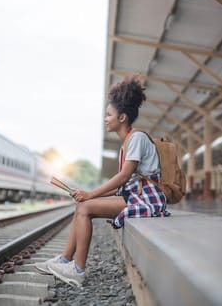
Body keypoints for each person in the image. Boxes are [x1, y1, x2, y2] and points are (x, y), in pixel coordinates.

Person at [35, 75, 170, 286]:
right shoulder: (128, 143)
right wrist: (85, 194)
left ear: (122, 117)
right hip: (136, 196)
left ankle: (77, 270)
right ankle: (64, 260)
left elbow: (124, 177)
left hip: (147, 200)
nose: (105, 119)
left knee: (85, 208)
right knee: (83, 204)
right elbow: (122, 186)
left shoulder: (136, 139)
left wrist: (91, 194)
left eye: (109, 115)